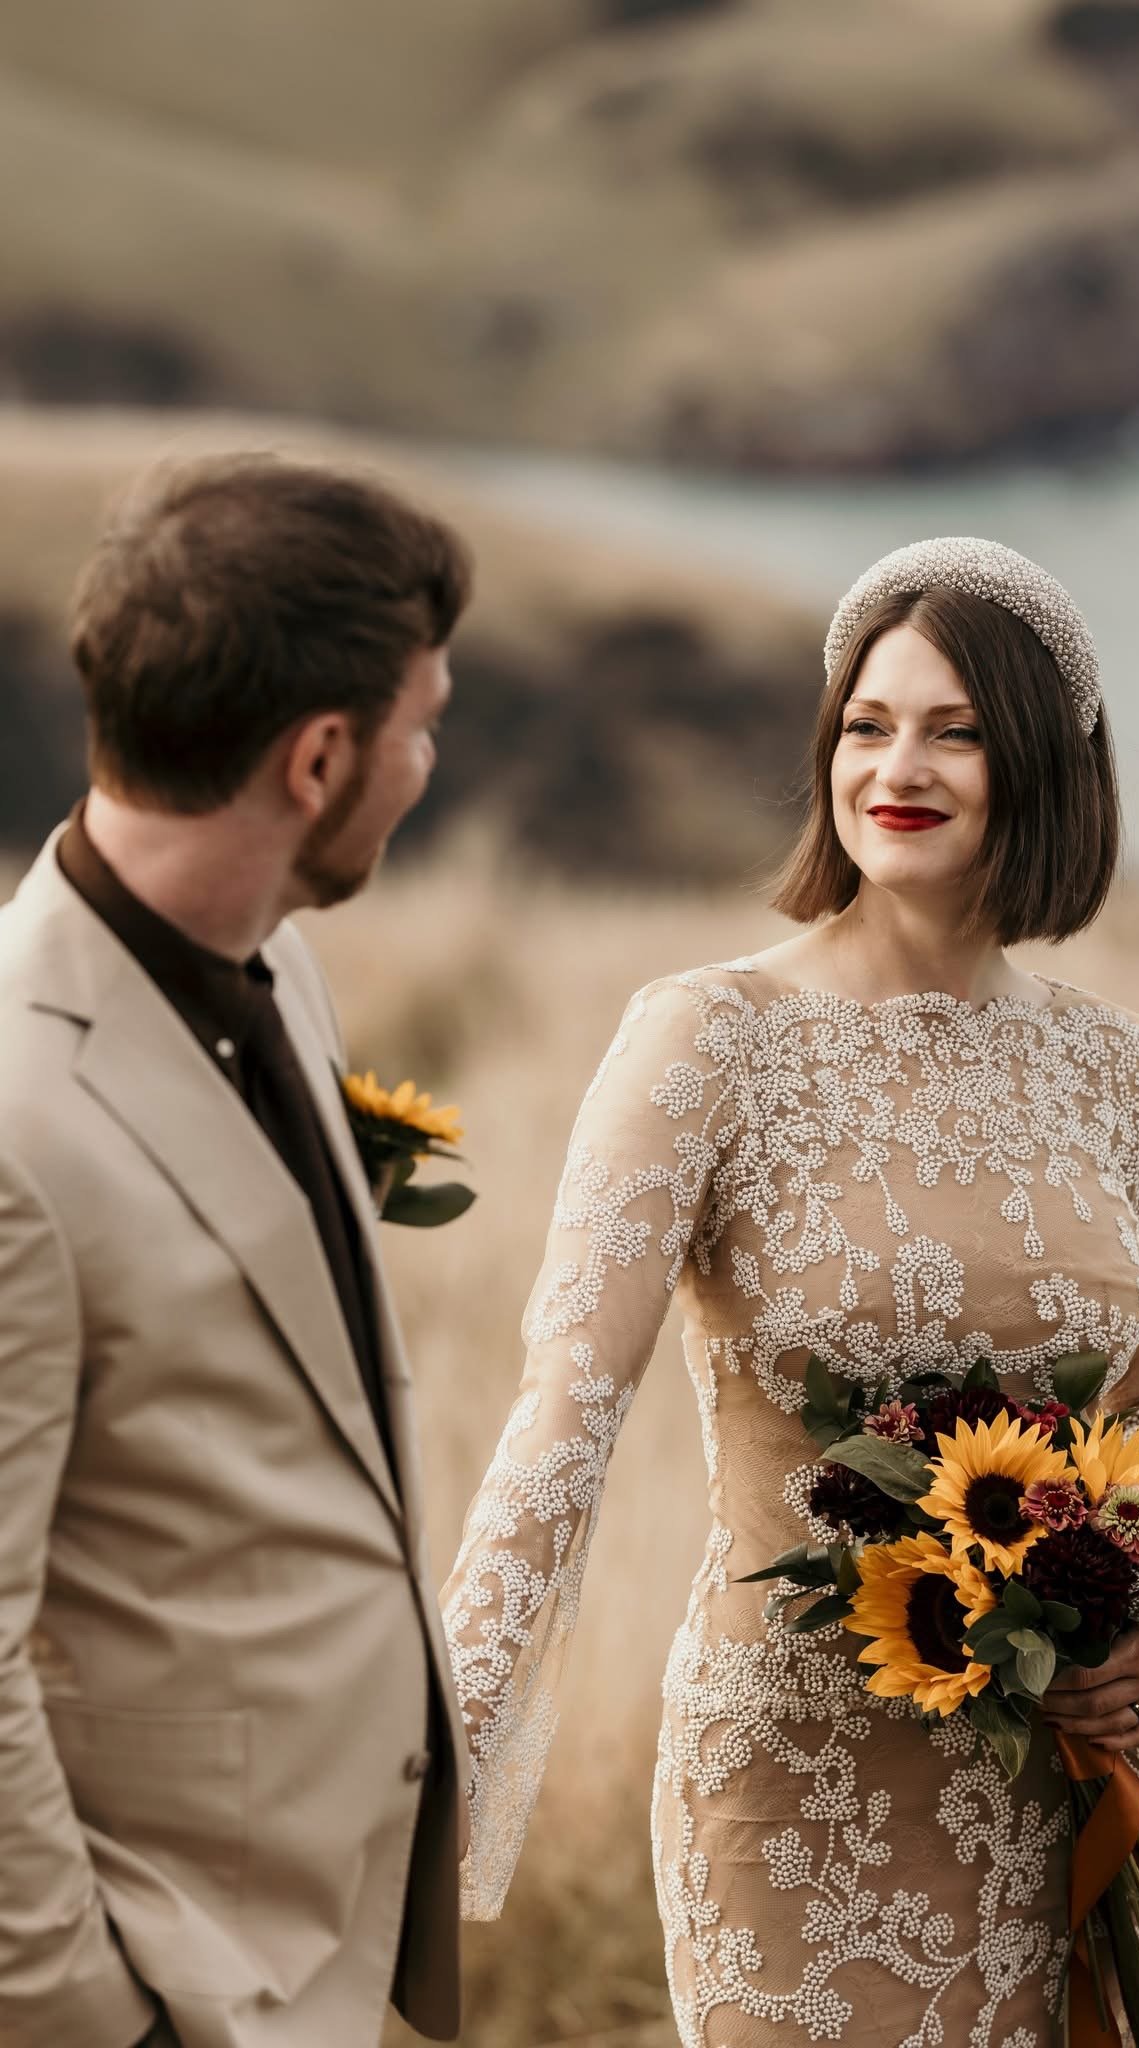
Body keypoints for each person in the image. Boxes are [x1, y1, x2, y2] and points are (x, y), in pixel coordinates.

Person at [440, 538, 1139, 2046]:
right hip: (793, 1779)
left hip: (1053, 1775)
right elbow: (564, 1409)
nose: (897, 767)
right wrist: (435, 1758)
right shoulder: (706, 1037)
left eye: (954, 729)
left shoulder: (1119, 1068)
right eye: (867, 724)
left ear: (1047, 764)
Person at [0, 455, 471, 2048]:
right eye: (421, 725)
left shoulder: (282, 970)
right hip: (161, 1972)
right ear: (319, 758)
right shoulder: (15, 1122)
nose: (428, 761)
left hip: (308, 1942)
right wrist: (90, 2020)